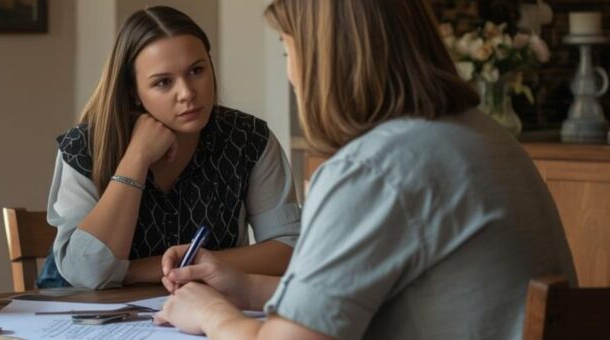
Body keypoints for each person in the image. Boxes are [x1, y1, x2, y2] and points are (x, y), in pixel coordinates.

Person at [153, 1, 577, 339]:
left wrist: (213, 315)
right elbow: (390, 298)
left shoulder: (374, 169)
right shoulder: (484, 135)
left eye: (288, 50)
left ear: (324, 57)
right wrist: (246, 289)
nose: (291, 74)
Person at [39, 5, 300, 290]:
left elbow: (288, 250)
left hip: (204, 315)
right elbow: (86, 273)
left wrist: (138, 271)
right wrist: (137, 156)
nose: (187, 93)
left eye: (196, 70)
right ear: (132, 91)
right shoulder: (84, 147)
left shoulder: (248, 139)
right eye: (163, 82)